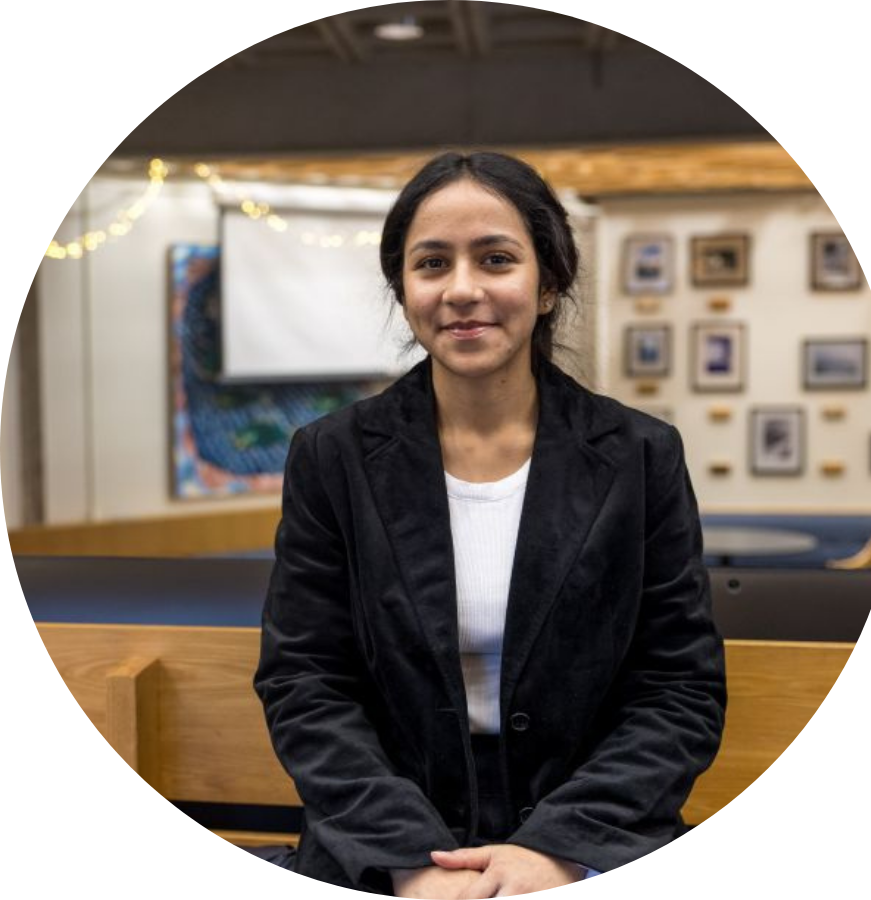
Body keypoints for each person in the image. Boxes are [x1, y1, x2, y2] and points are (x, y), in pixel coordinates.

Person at [254, 150, 726, 897]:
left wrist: (556, 851)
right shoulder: (331, 457)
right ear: (404, 290)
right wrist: (409, 859)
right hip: (383, 850)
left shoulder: (640, 455)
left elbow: (678, 689)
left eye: (497, 259)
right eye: (432, 263)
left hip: (588, 842)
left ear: (548, 285)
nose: (463, 290)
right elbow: (306, 681)